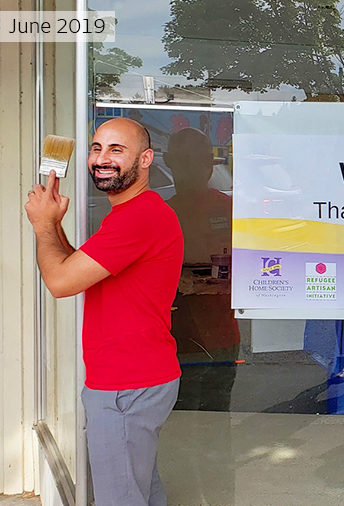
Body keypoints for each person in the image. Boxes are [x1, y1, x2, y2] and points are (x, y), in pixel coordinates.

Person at [25, 117, 184, 506]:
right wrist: (56, 226)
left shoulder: (137, 218)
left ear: (146, 159)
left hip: (126, 386)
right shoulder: (132, 214)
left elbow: (60, 283)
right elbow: (78, 269)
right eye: (97, 148)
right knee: (138, 491)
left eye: (117, 149)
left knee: (121, 497)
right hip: (132, 380)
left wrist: (43, 225)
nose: (102, 158)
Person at [165, 127, 240, 412]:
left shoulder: (229, 209)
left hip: (222, 339)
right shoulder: (160, 214)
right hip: (176, 344)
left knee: (217, 427)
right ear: (169, 160)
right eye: (185, 159)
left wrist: (197, 284)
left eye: (201, 160)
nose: (195, 168)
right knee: (179, 431)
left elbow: (255, 275)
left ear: (211, 163)